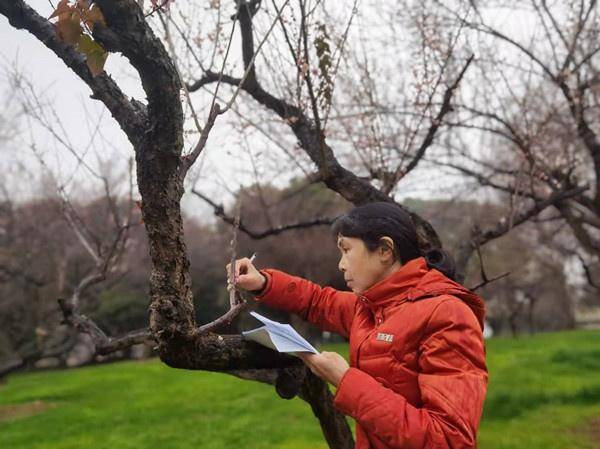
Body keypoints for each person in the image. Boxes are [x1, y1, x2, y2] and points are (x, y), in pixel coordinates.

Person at [226, 201, 488, 449]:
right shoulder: (372, 307)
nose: (340, 264)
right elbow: (318, 301)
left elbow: (449, 441)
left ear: (385, 250)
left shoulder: (447, 315)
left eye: (346, 249)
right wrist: (263, 282)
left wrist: (344, 379)